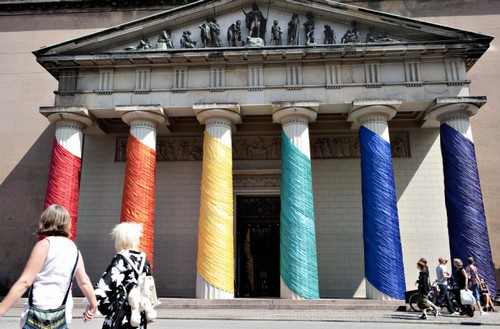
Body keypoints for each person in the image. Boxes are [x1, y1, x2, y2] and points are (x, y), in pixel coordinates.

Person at [0, 204, 97, 327]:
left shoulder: (44, 245)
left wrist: (2, 309)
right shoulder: (74, 249)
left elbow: (25, 282)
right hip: (63, 313)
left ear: (45, 221)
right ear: (67, 223)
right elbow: (84, 281)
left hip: (38, 311)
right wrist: (93, 304)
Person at [95, 222, 153, 329]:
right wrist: (148, 309)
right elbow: (149, 286)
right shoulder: (144, 260)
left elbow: (107, 283)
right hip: (138, 312)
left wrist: (93, 302)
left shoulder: (121, 258)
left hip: (121, 311)